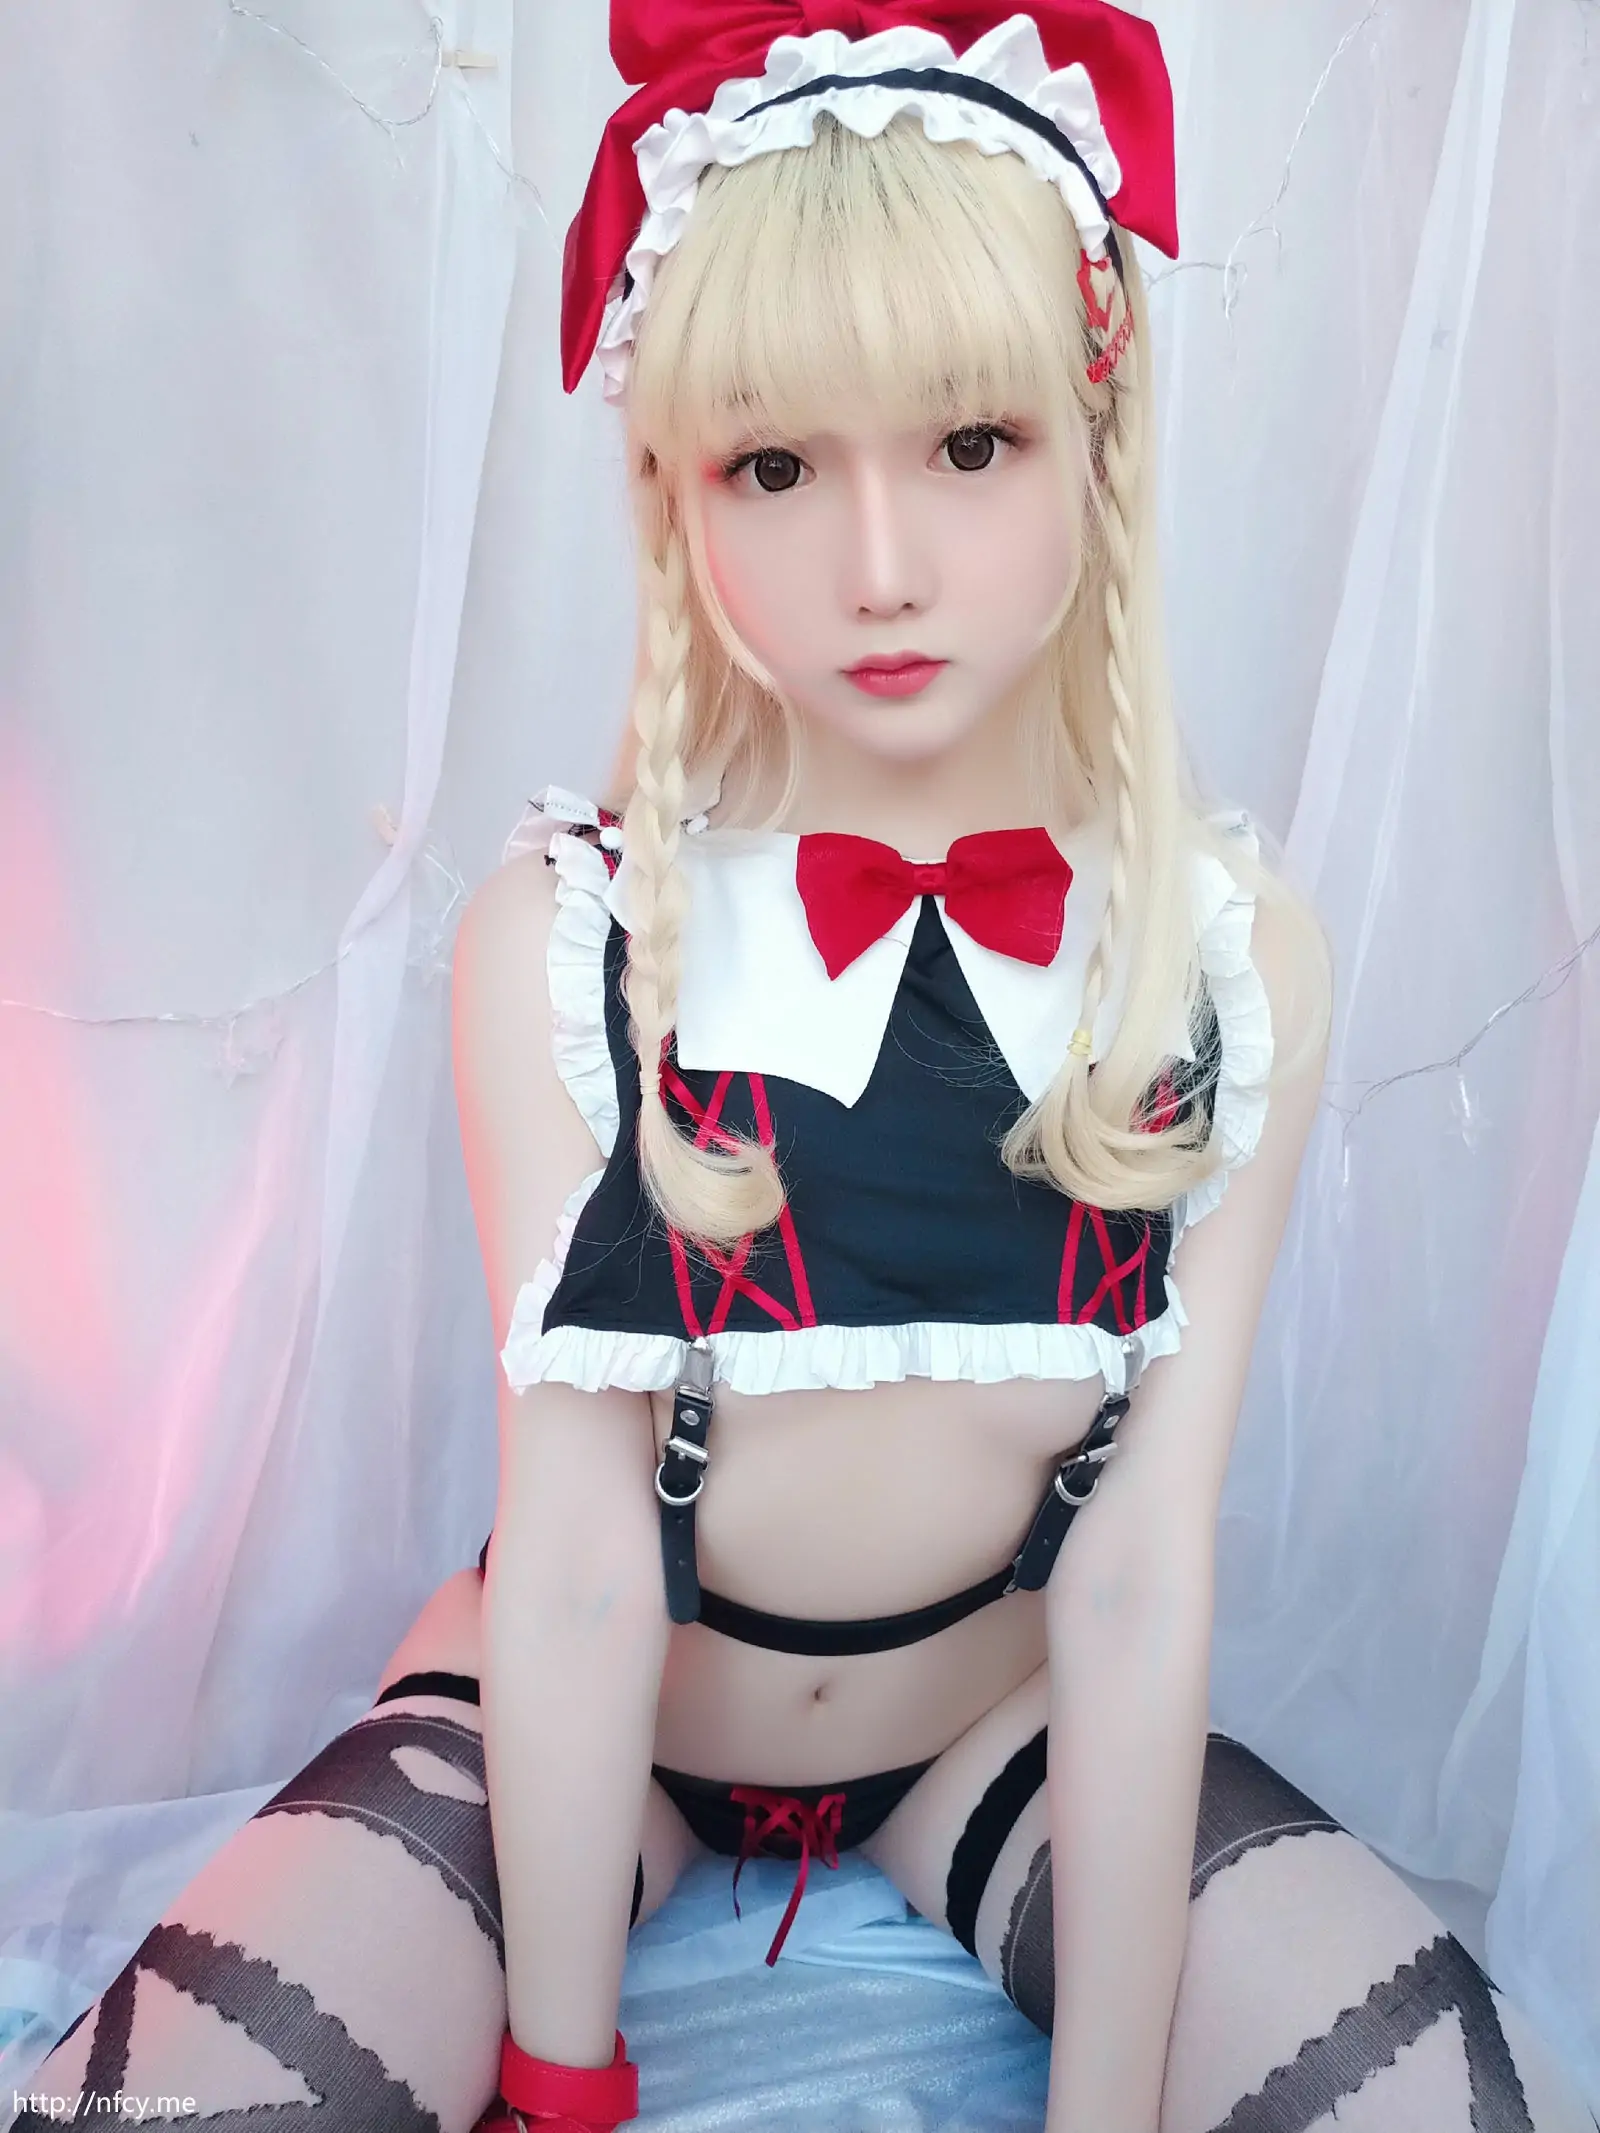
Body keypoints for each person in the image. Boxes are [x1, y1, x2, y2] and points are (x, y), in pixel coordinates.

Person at [17, 6, 1596, 2132]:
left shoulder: (1228, 961)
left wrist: (1103, 2115)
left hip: (985, 1727)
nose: (878, 568)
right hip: (597, 1730)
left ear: (1095, 432)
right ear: (675, 493)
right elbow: (582, 1566)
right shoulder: (567, 944)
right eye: (775, 465)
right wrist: (560, 2079)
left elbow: (1139, 1570)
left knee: (1467, 2105)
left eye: (969, 445)